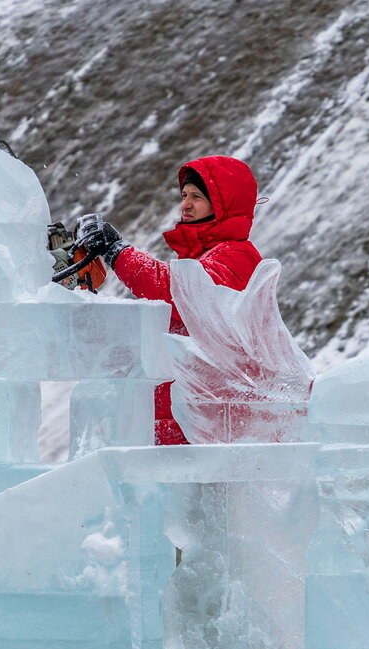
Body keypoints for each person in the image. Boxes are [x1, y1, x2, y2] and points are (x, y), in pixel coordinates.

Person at [68, 155, 264, 445]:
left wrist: (117, 252)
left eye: (197, 196)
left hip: (210, 424)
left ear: (224, 203)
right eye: (184, 195)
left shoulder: (238, 257)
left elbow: (177, 293)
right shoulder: (200, 259)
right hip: (183, 418)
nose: (185, 204)